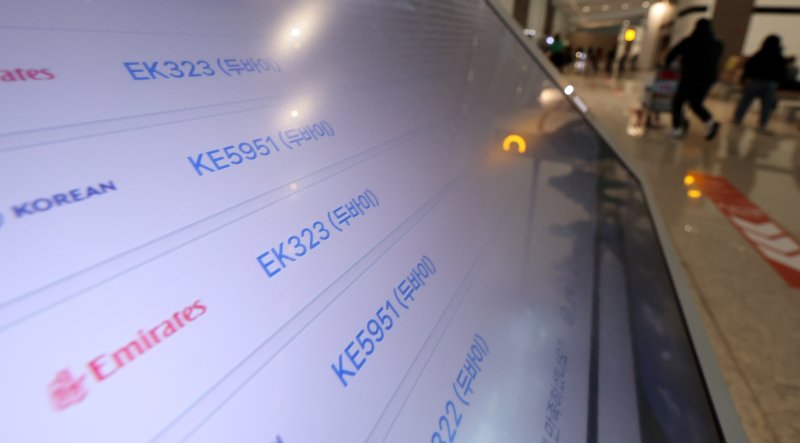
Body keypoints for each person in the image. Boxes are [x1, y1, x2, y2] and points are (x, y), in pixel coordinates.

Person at [665, 19, 723, 140]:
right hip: (708, 79)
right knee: (695, 103)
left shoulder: (689, 41)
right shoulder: (717, 44)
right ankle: (710, 122)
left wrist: (670, 64)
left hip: (690, 76)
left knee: (678, 102)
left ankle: (677, 129)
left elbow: (672, 54)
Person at [733, 35, 786, 133]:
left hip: (754, 81)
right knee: (766, 106)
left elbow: (748, 67)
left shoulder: (759, 54)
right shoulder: (778, 56)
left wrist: (744, 79)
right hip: (769, 83)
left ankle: (737, 118)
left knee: (745, 101)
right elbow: (782, 72)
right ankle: (762, 124)